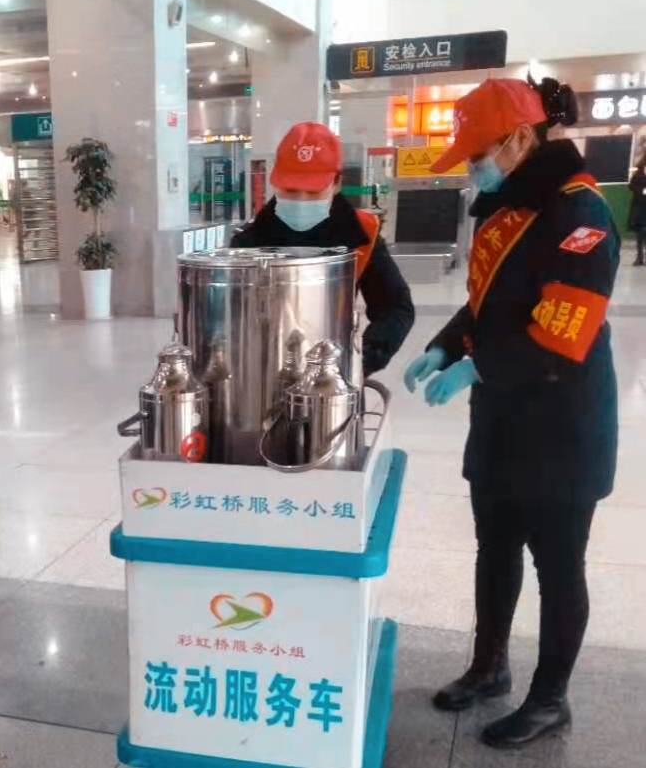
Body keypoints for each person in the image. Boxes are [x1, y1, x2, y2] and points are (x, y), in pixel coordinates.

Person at [403, 77, 619, 749]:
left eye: (478, 154)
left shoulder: (579, 213)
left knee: (559, 566)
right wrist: (444, 347)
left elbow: (563, 331)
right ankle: (489, 666)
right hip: (500, 417)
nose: (473, 168)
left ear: (520, 138)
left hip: (562, 425)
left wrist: (476, 367)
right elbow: (488, 302)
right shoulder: (509, 207)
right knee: (494, 546)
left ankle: (549, 699)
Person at [231, 122, 415, 376]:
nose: (301, 200)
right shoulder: (247, 243)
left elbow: (395, 308)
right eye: (290, 190)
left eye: (313, 191)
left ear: (337, 183)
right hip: (262, 375)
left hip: (332, 376)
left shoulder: (360, 235)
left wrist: (359, 363)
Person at [628, 159, 646, 266]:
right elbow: (631, 186)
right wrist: (643, 191)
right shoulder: (638, 174)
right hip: (640, 207)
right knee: (640, 232)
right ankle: (640, 257)